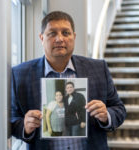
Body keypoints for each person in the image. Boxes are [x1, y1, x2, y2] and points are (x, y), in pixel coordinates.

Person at [11, 11, 126, 150]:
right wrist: (25, 126)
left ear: (74, 37)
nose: (59, 39)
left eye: (66, 33)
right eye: (52, 33)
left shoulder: (98, 68)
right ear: (42, 38)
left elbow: (119, 110)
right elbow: (11, 119)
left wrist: (106, 115)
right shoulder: (19, 74)